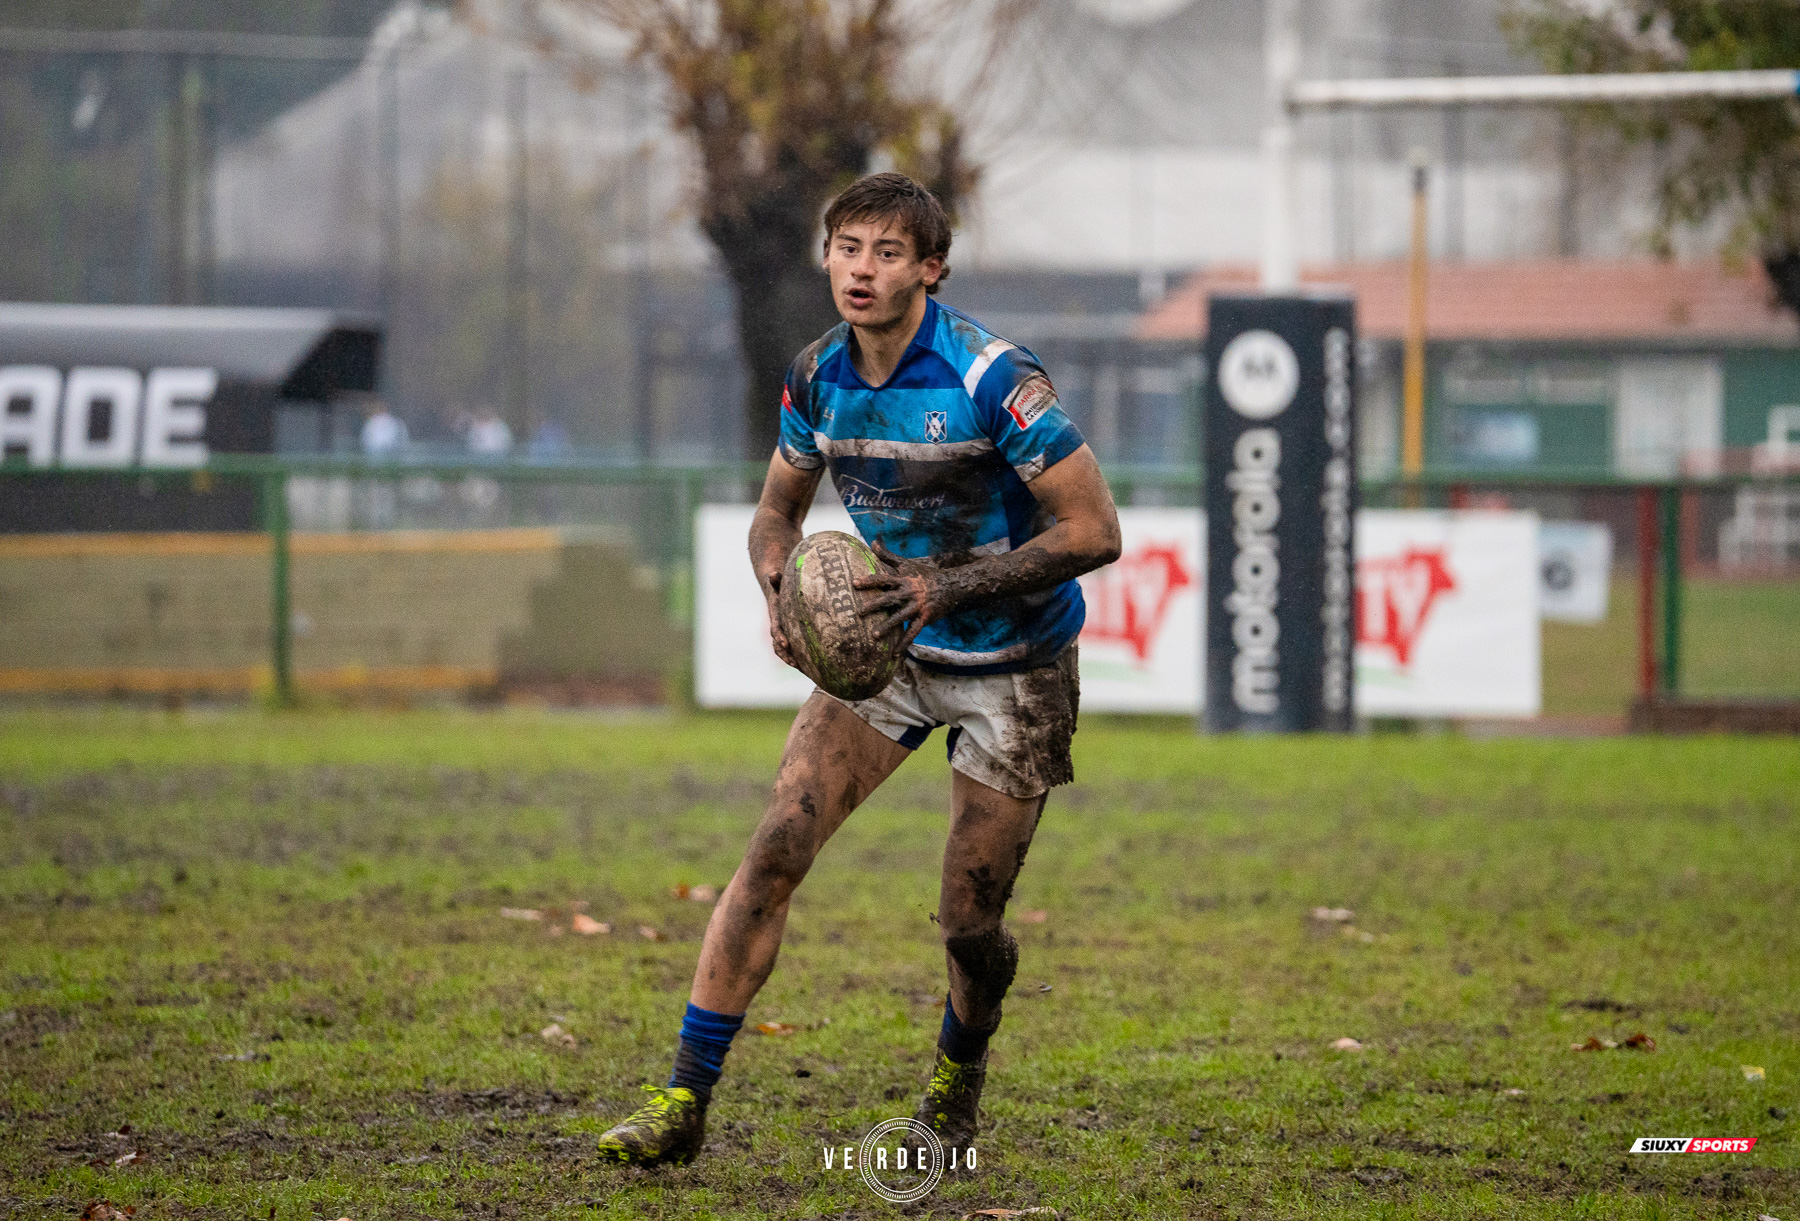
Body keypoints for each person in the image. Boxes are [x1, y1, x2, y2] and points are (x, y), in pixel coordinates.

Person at [596, 172, 1120, 1168]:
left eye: (886, 252)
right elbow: (775, 515)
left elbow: (1096, 530)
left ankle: (955, 1085)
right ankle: (682, 1100)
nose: (861, 270)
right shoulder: (817, 377)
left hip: (1017, 664)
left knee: (969, 923)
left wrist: (945, 586)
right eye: (847, 249)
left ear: (931, 269)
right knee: (776, 847)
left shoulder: (992, 377)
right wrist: (780, 589)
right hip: (890, 647)